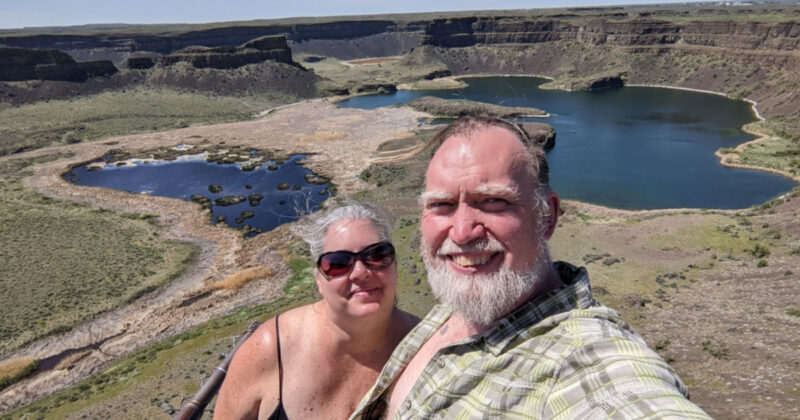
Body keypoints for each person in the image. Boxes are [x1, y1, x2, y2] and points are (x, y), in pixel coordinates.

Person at [350, 115, 711, 419]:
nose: (461, 232)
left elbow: (628, 398)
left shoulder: (578, 360)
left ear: (547, 217)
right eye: (441, 205)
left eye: (492, 201)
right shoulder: (465, 302)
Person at [215, 203, 419, 419]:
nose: (361, 272)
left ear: (394, 264)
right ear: (318, 281)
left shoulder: (426, 346)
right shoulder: (270, 349)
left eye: (377, 255)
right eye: (339, 263)